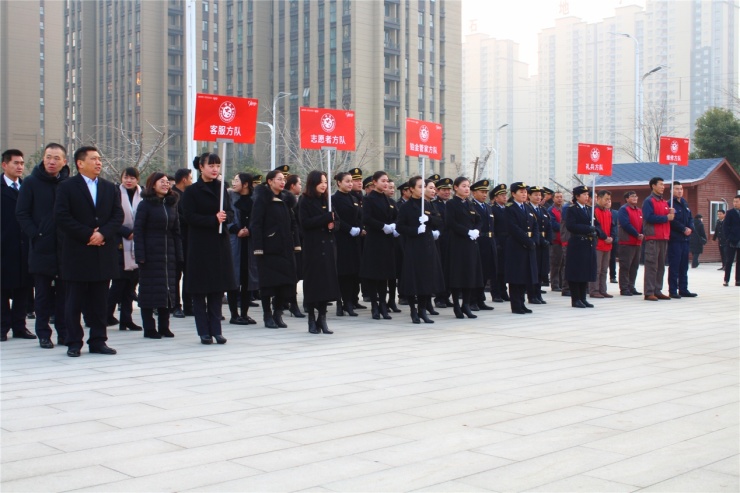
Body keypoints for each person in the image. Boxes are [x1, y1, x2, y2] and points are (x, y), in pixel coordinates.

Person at [55, 146, 123, 357]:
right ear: (80, 163)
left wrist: (102, 234)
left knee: (99, 301)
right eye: (93, 159)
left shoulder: (109, 187)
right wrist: (87, 234)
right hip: (77, 252)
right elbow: (62, 217)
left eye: (99, 159)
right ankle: (74, 341)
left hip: (103, 252)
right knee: (74, 300)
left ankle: (98, 340)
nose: (98, 163)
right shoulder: (66, 187)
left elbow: (117, 216)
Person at [16, 143, 70, 348]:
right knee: (42, 295)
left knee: (65, 294)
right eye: (48, 157)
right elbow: (21, 213)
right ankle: (43, 333)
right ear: (43, 158)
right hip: (41, 247)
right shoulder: (30, 182)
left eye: (56, 158)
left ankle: (65, 333)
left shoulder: (68, 183)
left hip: (65, 248)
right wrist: (36, 234)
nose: (51, 161)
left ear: (64, 161)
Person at [181, 153, 236, 344]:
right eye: (210, 165)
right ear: (201, 167)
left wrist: (224, 217)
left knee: (217, 290)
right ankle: (203, 331)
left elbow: (230, 213)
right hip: (199, 246)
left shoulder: (222, 189)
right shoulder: (192, 191)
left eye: (217, 165)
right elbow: (188, 216)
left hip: (219, 244)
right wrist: (212, 219)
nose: (214, 169)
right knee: (199, 291)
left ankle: (217, 330)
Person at [134, 172, 183, 339]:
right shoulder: (145, 205)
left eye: (167, 182)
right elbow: (138, 231)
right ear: (152, 184)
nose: (165, 184)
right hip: (150, 253)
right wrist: (140, 254)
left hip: (168, 254)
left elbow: (176, 232)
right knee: (149, 291)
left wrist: (179, 255)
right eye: (161, 182)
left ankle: (164, 326)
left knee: (167, 291)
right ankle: (149, 328)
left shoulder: (171, 204)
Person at [250, 169, 300, 328]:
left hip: (285, 248)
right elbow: (256, 224)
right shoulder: (262, 199)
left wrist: (296, 243)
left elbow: (293, 224)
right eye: (278, 179)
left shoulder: (285, 200)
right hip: (269, 248)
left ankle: (278, 313)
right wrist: (258, 247)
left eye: (283, 179)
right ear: (270, 181)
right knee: (268, 284)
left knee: (284, 283)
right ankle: (267, 315)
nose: (282, 182)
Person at [396, 176, 446, 323]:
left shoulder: (428, 205)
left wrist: (429, 220)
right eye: (419, 186)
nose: (422, 189)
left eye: (424, 186)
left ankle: (423, 310)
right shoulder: (406, 207)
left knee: (426, 280)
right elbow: (400, 227)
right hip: (413, 246)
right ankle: (413, 311)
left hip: (428, 246)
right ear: (411, 189)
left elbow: (439, 220)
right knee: (414, 280)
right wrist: (415, 230)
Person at [298, 171, 340, 334]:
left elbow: (338, 221)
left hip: (328, 247)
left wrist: (333, 224)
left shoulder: (327, 200)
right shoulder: (305, 200)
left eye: (325, 182)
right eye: (320, 182)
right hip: (313, 248)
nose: (324, 185)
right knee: (314, 284)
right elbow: (305, 223)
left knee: (326, 285)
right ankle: (311, 320)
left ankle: (322, 318)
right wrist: (325, 219)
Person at [1, 149, 36, 342]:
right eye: (15, 163)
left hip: (25, 246)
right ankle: (2, 326)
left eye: (22, 163)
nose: (20, 166)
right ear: (4, 165)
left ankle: (20, 327)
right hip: (4, 245)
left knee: (24, 288)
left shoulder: (27, 187)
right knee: (2, 289)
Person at [107, 167, 143, 332]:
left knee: (131, 285)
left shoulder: (142, 195)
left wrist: (136, 231)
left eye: (132, 178)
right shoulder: (115, 194)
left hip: (137, 243)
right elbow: (110, 218)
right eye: (126, 177)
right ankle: (105, 314)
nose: (129, 180)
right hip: (118, 244)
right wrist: (125, 231)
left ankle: (126, 320)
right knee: (119, 284)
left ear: (137, 179)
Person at [359, 171, 398, 320]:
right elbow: (367, 218)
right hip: (375, 240)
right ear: (374, 182)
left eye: (387, 181)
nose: (386, 183)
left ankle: (383, 304)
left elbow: (395, 216)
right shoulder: (369, 199)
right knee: (374, 275)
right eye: (383, 181)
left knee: (385, 276)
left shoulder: (387, 199)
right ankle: (374, 306)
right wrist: (383, 226)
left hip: (387, 241)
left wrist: (394, 225)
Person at [445, 176, 484, 319]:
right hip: (458, 243)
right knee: (458, 275)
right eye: (463, 186)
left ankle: (466, 304)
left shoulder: (470, 204)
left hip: (471, 244)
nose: (467, 188)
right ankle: (456, 304)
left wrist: (477, 230)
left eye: (468, 186)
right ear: (456, 187)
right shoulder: (451, 204)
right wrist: (467, 231)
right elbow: (451, 223)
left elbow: (479, 220)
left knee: (470, 274)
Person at [226, 172, 257, 325]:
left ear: (246, 184)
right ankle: (234, 314)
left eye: (237, 180)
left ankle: (244, 313)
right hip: (234, 242)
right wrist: (236, 229)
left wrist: (250, 230)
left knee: (247, 279)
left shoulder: (255, 199)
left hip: (250, 243)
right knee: (233, 278)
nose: (233, 183)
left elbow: (259, 219)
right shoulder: (229, 198)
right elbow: (226, 218)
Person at [332, 171, 362, 317]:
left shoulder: (354, 198)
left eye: (351, 181)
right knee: (342, 273)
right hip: (341, 239)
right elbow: (336, 218)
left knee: (353, 272)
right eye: (347, 181)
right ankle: (341, 302)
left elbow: (359, 216)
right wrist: (349, 229)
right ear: (339, 182)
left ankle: (350, 301)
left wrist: (360, 229)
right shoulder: (334, 199)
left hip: (354, 240)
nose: (350, 184)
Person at [505, 182, 538, 314]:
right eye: (521, 192)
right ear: (513, 194)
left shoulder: (528, 208)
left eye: (525, 192)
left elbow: (535, 226)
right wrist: (527, 241)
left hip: (528, 246)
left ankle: (522, 303)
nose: (524, 194)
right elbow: (513, 228)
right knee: (516, 277)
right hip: (516, 246)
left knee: (525, 276)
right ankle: (516, 305)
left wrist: (534, 240)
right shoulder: (510, 208)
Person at [565, 186, 598, 308]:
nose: (586, 197)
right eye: (584, 194)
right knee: (576, 272)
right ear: (577, 196)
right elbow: (571, 225)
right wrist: (588, 228)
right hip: (577, 243)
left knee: (585, 271)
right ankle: (575, 299)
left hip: (588, 243)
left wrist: (599, 233)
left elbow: (596, 224)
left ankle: (583, 298)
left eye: (587, 195)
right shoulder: (572, 209)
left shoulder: (590, 209)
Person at [642, 177, 674, 301]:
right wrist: (666, 217)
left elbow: (668, 217)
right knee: (652, 265)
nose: (663, 187)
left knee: (661, 265)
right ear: (653, 186)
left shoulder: (665, 202)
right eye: (660, 184)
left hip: (664, 237)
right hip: (653, 237)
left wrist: (670, 214)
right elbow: (649, 217)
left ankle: (657, 289)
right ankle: (649, 291)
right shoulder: (649, 201)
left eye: (663, 184)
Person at [170, 166, 194, 317]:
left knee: (189, 273)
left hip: (189, 239)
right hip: (176, 240)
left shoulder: (189, 195)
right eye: (190, 178)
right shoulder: (172, 196)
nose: (192, 181)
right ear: (184, 179)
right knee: (175, 274)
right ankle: (175, 305)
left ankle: (188, 305)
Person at [666, 182, 696, 298]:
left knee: (684, 265)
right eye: (677, 189)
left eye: (681, 189)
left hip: (685, 239)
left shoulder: (684, 203)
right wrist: (683, 228)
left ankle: (683, 289)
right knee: (675, 265)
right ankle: (673, 290)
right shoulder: (670, 204)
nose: (680, 191)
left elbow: (690, 218)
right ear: (672, 190)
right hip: (675, 239)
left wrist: (690, 228)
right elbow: (672, 221)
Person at [470, 180, 496, 311]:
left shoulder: (487, 207)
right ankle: (472, 300)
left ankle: (481, 300)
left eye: (486, 192)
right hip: (478, 241)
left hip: (489, 242)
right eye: (482, 192)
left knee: (486, 272)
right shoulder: (472, 206)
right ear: (474, 193)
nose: (484, 194)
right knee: (477, 273)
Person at [284, 170, 306, 318]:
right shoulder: (286, 201)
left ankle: (289, 302)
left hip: (297, 242)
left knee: (295, 274)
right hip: (288, 242)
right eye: (299, 183)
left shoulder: (297, 201)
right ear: (292, 186)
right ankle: (290, 303)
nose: (300, 186)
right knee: (291, 274)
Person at [527, 186, 551, 304]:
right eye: (535, 194)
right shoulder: (528, 209)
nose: (538, 197)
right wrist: (540, 240)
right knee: (534, 271)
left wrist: (548, 239)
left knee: (542, 269)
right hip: (535, 243)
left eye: (539, 195)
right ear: (529, 196)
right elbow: (533, 228)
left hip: (544, 244)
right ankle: (532, 295)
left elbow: (548, 226)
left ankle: (538, 293)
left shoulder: (543, 210)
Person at [617, 191, 644, 296]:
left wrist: (641, 233)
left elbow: (642, 224)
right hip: (627, 242)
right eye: (632, 196)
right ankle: (624, 288)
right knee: (625, 266)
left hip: (637, 243)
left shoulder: (639, 211)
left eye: (636, 196)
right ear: (626, 199)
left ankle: (631, 286)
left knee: (634, 266)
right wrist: (636, 234)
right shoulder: (624, 209)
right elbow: (625, 224)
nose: (635, 198)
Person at [589, 190, 614, 299]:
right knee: (597, 269)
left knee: (604, 269)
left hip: (607, 244)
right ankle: (594, 290)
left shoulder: (608, 212)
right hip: (598, 243)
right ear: (598, 198)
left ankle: (602, 290)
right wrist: (604, 237)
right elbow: (596, 227)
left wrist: (612, 237)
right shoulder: (593, 211)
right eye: (606, 199)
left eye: (609, 199)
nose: (607, 201)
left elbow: (613, 227)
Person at [433, 177, 454, 308]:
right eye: (444, 190)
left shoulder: (451, 204)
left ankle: (447, 296)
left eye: (448, 190)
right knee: (440, 270)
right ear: (437, 190)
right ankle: (439, 297)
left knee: (450, 270)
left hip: (452, 242)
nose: (447, 192)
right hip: (440, 241)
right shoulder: (435, 205)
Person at [490, 184, 510, 302]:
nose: (504, 197)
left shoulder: (506, 209)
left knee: (504, 269)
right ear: (496, 197)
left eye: (505, 195)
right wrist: (496, 242)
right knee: (496, 269)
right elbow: (493, 227)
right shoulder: (493, 209)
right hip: (498, 240)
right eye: (501, 195)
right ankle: (496, 292)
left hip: (507, 241)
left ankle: (503, 291)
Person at [548, 191, 565, 292]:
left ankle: (561, 283)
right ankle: (554, 284)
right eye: (557, 197)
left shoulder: (564, 209)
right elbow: (553, 224)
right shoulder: (551, 210)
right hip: (556, 240)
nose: (559, 199)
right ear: (553, 199)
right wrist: (564, 228)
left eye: (561, 197)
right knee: (555, 263)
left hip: (563, 240)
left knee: (563, 263)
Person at [722, 195, 740, 287]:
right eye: (734, 202)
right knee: (729, 260)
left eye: (737, 201)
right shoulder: (730, 213)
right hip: (732, 240)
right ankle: (726, 280)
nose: (735, 203)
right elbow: (725, 226)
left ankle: (738, 280)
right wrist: (728, 237)